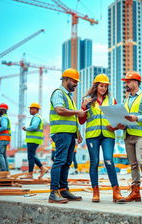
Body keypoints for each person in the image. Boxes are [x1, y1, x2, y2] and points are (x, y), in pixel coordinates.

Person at [79, 73, 125, 203]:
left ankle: (116, 192)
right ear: (96, 86)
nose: (103, 88)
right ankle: (95, 192)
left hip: (108, 135)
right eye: (101, 86)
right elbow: (81, 121)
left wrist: (116, 126)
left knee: (109, 160)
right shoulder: (87, 100)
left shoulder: (112, 100)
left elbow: (117, 119)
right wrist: (83, 107)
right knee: (94, 162)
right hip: (92, 136)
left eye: (105, 86)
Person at [49, 68, 85, 204]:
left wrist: (78, 133)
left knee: (67, 162)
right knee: (60, 161)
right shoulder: (59, 93)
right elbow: (59, 110)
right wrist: (78, 112)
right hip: (61, 133)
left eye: (77, 81)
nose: (76, 84)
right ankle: (54, 192)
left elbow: (72, 118)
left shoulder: (69, 97)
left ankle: (63, 189)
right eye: (74, 81)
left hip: (69, 134)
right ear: (65, 80)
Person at [119, 71, 142, 203]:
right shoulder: (126, 100)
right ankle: (135, 192)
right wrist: (122, 124)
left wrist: (136, 118)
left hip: (141, 135)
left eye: (128, 82)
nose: (126, 84)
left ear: (136, 82)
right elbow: (126, 117)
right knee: (133, 165)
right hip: (128, 134)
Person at [22, 103, 48, 179]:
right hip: (34, 140)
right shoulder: (37, 117)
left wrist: (26, 128)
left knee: (30, 156)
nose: (30, 110)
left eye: (32, 108)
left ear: (36, 110)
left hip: (33, 140)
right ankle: (43, 169)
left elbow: (34, 126)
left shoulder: (36, 117)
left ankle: (30, 174)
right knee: (32, 156)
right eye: (30, 108)